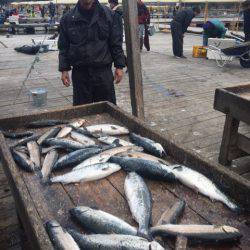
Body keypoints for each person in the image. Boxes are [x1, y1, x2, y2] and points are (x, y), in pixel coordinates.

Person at [58, 0, 125, 106]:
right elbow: (63, 46)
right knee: (82, 112)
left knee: (107, 110)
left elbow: (116, 43)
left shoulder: (110, 15)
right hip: (80, 74)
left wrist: (119, 66)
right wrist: (64, 69)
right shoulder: (67, 18)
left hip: (103, 73)